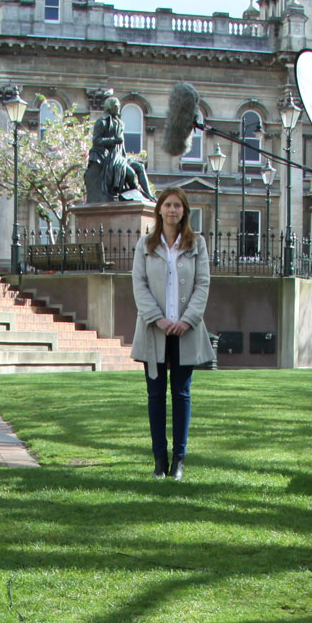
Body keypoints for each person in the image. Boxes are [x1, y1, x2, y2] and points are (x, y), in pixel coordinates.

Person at [129, 187, 213, 480]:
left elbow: (203, 285)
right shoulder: (145, 245)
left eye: (177, 205)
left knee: (181, 394)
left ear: (184, 211)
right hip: (154, 331)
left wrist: (187, 320)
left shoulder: (196, 244)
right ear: (160, 210)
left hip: (185, 332)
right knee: (155, 396)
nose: (172, 210)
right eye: (168, 205)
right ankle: (158, 460)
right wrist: (159, 320)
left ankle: (179, 460)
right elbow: (139, 285)